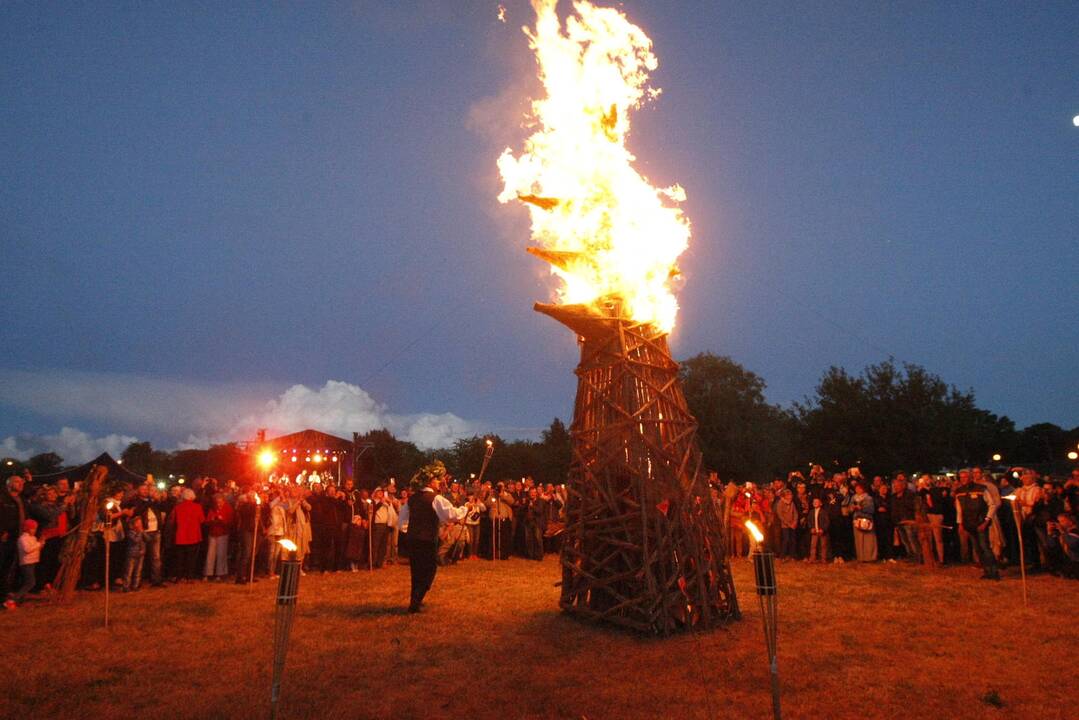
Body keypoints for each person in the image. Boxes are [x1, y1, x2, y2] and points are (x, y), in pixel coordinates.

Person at [397, 471, 467, 613]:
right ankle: (415, 602)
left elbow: (402, 519)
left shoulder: (412, 499)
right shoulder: (435, 498)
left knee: (416, 572)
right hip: (427, 539)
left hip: (413, 539)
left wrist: (409, 532)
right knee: (429, 571)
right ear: (429, 482)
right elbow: (451, 514)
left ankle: (415, 600)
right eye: (436, 480)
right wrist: (466, 508)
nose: (438, 482)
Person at [955, 471, 1000, 580]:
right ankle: (986, 571)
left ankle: (994, 571)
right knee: (978, 549)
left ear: (970, 477)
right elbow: (959, 509)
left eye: (965, 477)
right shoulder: (959, 492)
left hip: (981, 522)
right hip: (969, 523)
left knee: (985, 547)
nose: (963, 479)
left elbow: (992, 504)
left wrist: (986, 521)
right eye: (961, 477)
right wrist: (960, 523)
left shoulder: (981, 489)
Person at [9, 519, 43, 605]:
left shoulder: (33, 538)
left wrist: (41, 543)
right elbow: (27, 549)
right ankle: (14, 599)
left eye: (35, 528)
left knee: (27, 582)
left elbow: (35, 548)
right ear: (27, 529)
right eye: (33, 528)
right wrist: (38, 544)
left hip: (32, 562)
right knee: (31, 582)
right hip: (26, 563)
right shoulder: (23, 539)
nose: (34, 530)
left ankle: (19, 599)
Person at [851, 482, 877, 562]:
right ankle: (861, 557)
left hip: (866, 519)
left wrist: (861, 508)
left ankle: (870, 557)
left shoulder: (868, 498)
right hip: (857, 519)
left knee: (868, 539)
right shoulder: (853, 498)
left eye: (859, 488)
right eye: (856, 488)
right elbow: (850, 507)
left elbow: (871, 509)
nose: (857, 490)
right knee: (859, 539)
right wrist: (852, 508)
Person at [807, 496, 830, 562]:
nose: (815, 503)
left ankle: (823, 558)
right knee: (813, 545)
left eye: (817, 502)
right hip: (814, 531)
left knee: (823, 545)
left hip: (822, 531)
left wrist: (823, 529)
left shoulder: (824, 512)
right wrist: (811, 528)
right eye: (814, 502)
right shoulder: (811, 512)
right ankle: (812, 558)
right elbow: (809, 521)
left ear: (821, 503)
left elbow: (827, 522)